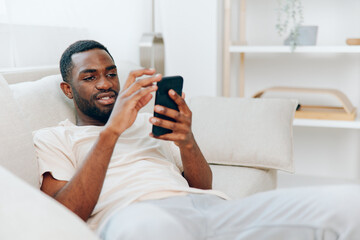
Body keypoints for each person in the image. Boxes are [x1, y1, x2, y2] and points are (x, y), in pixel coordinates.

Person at [34, 40, 360, 240]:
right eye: (89, 77)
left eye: (111, 73)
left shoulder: (148, 123)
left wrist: (187, 140)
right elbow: (65, 212)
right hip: (139, 219)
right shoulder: (56, 137)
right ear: (68, 89)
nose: (105, 83)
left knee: (348, 204)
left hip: (210, 208)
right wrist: (111, 132)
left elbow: (202, 186)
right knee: (152, 231)